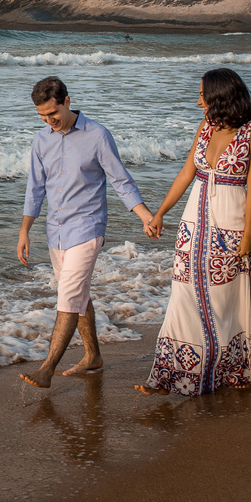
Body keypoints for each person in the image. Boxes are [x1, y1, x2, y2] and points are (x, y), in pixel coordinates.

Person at [138, 68, 251, 396]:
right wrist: (160, 212)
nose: (198, 102)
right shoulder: (206, 127)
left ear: (221, 97)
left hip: (231, 225)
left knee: (224, 301)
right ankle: (169, 376)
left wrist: (249, 235)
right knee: (183, 295)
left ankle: (224, 371)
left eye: (203, 96)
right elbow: (187, 172)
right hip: (193, 226)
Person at [18, 76, 155, 388]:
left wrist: (145, 217)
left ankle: (47, 369)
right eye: (42, 116)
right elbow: (35, 189)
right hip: (56, 232)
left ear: (67, 101)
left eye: (53, 114)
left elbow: (121, 181)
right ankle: (93, 355)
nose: (49, 121)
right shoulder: (41, 141)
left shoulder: (97, 135)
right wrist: (25, 231)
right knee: (77, 295)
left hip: (88, 228)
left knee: (68, 297)